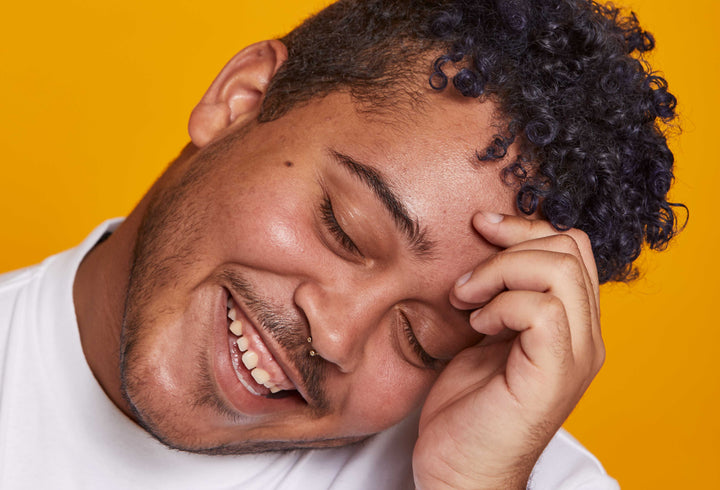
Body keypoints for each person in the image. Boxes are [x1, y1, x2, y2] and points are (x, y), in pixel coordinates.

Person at [0, 0, 682, 488]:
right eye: (344, 228)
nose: (335, 334)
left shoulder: (524, 475)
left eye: (421, 341)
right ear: (241, 99)